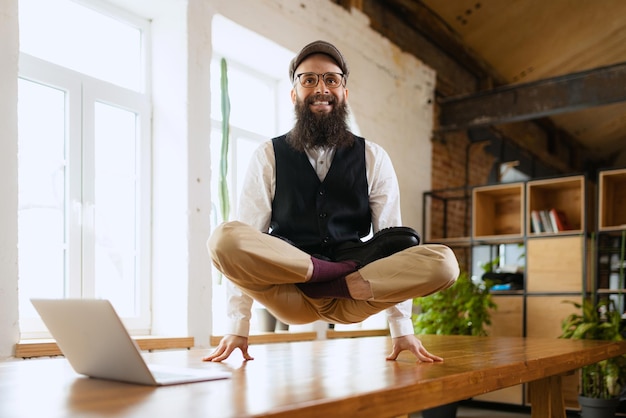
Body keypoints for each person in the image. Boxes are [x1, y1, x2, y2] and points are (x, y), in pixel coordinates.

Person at [204, 40, 459, 364]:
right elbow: (248, 237)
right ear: (294, 94)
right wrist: (238, 325)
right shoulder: (269, 155)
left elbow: (392, 241)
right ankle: (321, 274)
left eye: (331, 79)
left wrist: (401, 327)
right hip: (291, 291)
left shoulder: (373, 157)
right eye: (309, 79)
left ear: (344, 94)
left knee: (444, 263)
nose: (320, 88)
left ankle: (338, 279)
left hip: (357, 291)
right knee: (224, 238)